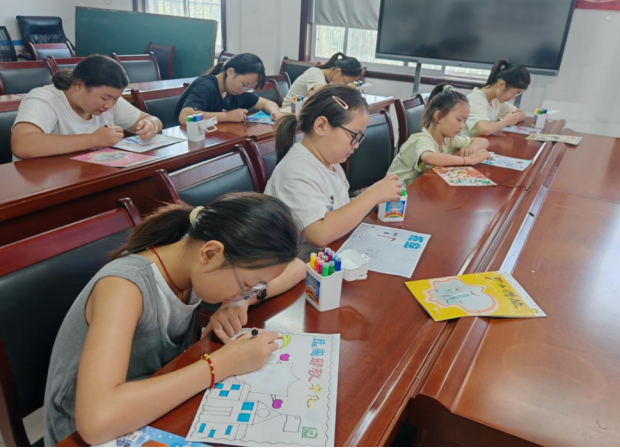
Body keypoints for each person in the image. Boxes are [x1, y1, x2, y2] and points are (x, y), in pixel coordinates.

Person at [43, 193, 305, 447]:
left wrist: (241, 300)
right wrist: (223, 364)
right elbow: (96, 421)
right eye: (247, 285)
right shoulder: (124, 287)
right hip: (86, 431)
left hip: (150, 402)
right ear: (210, 254)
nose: (247, 292)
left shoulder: (192, 263)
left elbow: (297, 267)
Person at [265, 85, 402, 258]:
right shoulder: (298, 172)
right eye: (353, 136)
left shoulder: (330, 161)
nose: (356, 145)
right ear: (321, 126)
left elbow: (337, 207)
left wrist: (371, 200)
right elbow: (319, 234)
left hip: (332, 253)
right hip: (299, 266)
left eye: (359, 137)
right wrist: (371, 196)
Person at [11, 55, 162, 160]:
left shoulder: (110, 100)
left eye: (116, 98)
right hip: (40, 183)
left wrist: (151, 125)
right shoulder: (44, 100)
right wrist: (94, 139)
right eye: (105, 98)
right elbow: (23, 145)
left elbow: (151, 119)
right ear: (79, 85)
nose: (110, 105)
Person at [388, 84, 490, 187]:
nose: (462, 126)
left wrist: (470, 149)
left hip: (418, 189)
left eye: (464, 121)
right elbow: (429, 157)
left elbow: (483, 141)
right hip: (394, 193)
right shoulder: (422, 139)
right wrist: (467, 160)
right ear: (438, 116)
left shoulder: (448, 140)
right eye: (459, 120)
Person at [176, 53, 282, 126]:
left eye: (249, 88)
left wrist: (275, 112)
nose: (244, 90)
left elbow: (266, 103)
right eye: (244, 84)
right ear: (230, 72)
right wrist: (227, 116)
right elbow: (185, 116)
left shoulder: (236, 91)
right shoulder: (205, 86)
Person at [461, 59, 531, 137]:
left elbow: (521, 114)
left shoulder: (496, 99)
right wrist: (506, 122)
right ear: (501, 85)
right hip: (465, 143)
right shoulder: (476, 99)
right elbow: (485, 129)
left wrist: (512, 119)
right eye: (514, 93)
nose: (513, 98)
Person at [281, 53, 363, 112]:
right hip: (290, 111)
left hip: (303, 111)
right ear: (337, 71)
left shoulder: (329, 80)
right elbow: (321, 96)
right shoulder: (316, 74)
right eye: (347, 82)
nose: (346, 85)